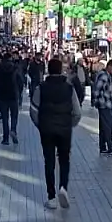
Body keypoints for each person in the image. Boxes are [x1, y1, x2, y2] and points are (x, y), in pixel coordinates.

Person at [31, 58, 81, 210]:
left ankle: (51, 196)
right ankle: (63, 188)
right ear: (61, 70)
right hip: (65, 129)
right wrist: (69, 125)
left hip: (46, 129)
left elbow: (34, 109)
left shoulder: (41, 88)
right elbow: (77, 112)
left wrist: (40, 125)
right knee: (64, 159)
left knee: (49, 161)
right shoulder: (69, 88)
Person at [0, 49, 25, 145]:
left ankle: (5, 139)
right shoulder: (15, 68)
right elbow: (21, 81)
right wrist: (19, 92)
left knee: (5, 117)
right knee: (14, 116)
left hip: (1, 96)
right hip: (13, 95)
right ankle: (13, 130)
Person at [91, 59, 112, 154]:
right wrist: (95, 100)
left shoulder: (105, 75)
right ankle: (110, 148)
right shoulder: (104, 76)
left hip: (105, 103)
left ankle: (103, 147)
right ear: (109, 66)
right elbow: (97, 88)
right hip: (104, 104)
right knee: (108, 126)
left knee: (103, 126)